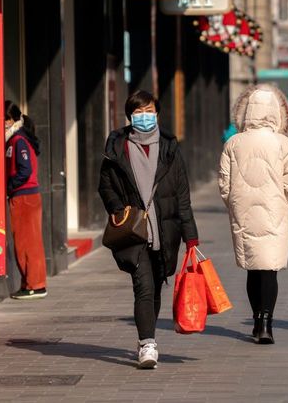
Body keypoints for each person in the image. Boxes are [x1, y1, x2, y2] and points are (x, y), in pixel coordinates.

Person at [98, 90, 199, 369]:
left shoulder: (169, 148)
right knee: (142, 284)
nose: (144, 117)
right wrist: (119, 209)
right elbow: (104, 185)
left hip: (165, 229)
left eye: (149, 111)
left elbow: (182, 195)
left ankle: (148, 336)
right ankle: (147, 344)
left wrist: (191, 236)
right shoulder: (117, 147)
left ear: (157, 113)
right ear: (130, 116)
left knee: (155, 287)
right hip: (133, 231)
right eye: (138, 112)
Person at [219, 84, 288, 344]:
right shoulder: (284, 143)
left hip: (242, 211)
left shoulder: (233, 143)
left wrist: (232, 203)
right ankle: (266, 323)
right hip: (275, 210)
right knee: (270, 269)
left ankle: (256, 320)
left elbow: (224, 182)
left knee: (252, 268)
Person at [5, 101, 48, 300]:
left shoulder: (18, 141)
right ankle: (29, 283)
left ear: (12, 120)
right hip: (25, 196)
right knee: (25, 242)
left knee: (27, 243)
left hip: (24, 197)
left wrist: (10, 187)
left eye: (5, 120)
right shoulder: (17, 139)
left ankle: (35, 285)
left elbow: (25, 170)